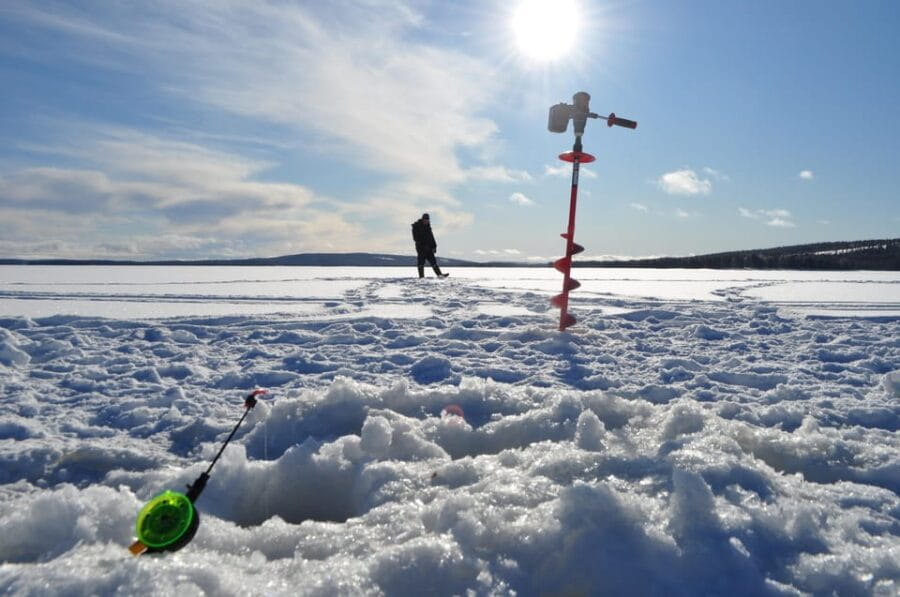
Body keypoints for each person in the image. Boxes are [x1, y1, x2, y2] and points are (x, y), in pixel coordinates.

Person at [411, 213, 448, 278]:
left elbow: (431, 237)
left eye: (427, 219)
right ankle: (421, 277)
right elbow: (416, 238)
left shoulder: (428, 227)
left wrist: (434, 246)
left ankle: (440, 275)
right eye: (425, 219)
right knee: (421, 262)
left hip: (429, 248)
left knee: (433, 262)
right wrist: (423, 245)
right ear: (422, 219)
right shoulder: (416, 226)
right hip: (421, 248)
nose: (426, 221)